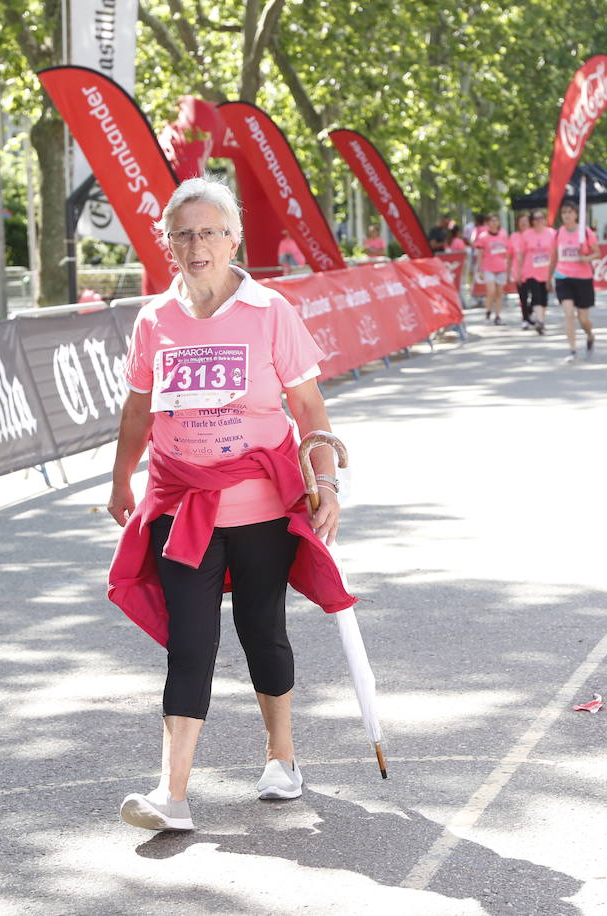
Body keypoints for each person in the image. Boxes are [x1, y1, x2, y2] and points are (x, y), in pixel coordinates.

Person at [106, 176, 353, 834]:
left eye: (209, 232)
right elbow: (137, 408)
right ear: (167, 243)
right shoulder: (154, 319)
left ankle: (282, 758)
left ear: (233, 238)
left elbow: (308, 409)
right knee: (189, 643)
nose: (196, 246)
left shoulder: (269, 311)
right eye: (182, 234)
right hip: (180, 506)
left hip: (261, 506)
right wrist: (120, 479)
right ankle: (171, 793)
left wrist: (326, 485)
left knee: (260, 629)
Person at [546, 201, 597, 362]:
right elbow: (554, 257)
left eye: (569, 212)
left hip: (583, 278)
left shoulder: (586, 232)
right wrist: (548, 278)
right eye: (563, 213)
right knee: (568, 314)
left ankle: (590, 334)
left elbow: (597, 253)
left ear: (576, 214)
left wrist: (586, 258)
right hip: (563, 277)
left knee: (583, 319)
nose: (566, 215)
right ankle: (572, 350)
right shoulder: (558, 233)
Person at [515, 209, 555, 335]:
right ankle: (540, 321)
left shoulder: (551, 233)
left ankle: (541, 320)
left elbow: (556, 253)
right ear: (532, 221)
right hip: (530, 270)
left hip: (546, 271)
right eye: (536, 219)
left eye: (541, 218)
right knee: (536, 296)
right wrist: (519, 272)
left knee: (544, 297)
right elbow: (521, 254)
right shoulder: (526, 234)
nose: (539, 221)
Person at [472, 213, 510, 324]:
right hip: (488, 267)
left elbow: (507, 250)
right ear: (488, 223)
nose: (494, 223)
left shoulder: (503, 234)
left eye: (496, 220)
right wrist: (479, 270)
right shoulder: (483, 237)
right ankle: (488, 312)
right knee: (491, 291)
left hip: (501, 267)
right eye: (491, 221)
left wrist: (507, 262)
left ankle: (498, 316)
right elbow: (480, 254)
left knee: (499, 293)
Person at [508, 212, 530, 328]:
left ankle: (531, 312)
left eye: (525, 221)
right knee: (523, 296)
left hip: (534, 272)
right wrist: (509, 272)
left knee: (536, 295)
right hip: (519, 272)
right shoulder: (514, 237)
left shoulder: (533, 235)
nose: (523, 224)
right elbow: (510, 256)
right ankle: (525, 318)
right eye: (521, 222)